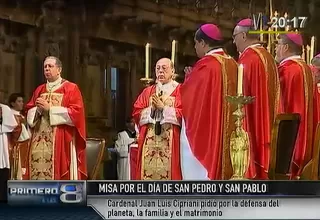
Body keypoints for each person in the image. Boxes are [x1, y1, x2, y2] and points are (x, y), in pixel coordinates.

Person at [180, 23, 237, 180]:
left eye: (196, 43)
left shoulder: (206, 65)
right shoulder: (232, 63)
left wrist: (188, 81)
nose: (195, 47)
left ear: (203, 43)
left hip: (209, 131)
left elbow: (190, 99)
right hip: (229, 131)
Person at [25, 56, 87, 180]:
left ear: (59, 69)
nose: (47, 69)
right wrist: (38, 110)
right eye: (45, 67)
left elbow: (76, 113)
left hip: (61, 138)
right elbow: (29, 112)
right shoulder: (39, 89)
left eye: (50, 66)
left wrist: (51, 109)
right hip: (39, 139)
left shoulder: (70, 88)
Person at [233, 18, 280, 179]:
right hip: (268, 121)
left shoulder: (248, 59)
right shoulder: (268, 57)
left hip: (253, 121)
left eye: (235, 36)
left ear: (244, 36)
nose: (233, 41)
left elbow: (240, 97)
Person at [132, 57, 182, 180]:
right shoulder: (148, 92)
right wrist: (152, 110)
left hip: (171, 142)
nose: (160, 72)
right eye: (158, 68)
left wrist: (164, 108)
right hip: (149, 142)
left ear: (172, 71)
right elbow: (136, 112)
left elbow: (184, 115)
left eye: (164, 68)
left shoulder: (180, 90)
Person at [275, 33, 313, 179]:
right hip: (306, 135)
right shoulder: (307, 69)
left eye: (277, 45)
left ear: (285, 47)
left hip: (289, 138)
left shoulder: (286, 70)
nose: (276, 49)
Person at [8, 93, 30, 180]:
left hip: (25, 145)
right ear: (12, 103)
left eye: (22, 101)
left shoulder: (21, 116)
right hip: (16, 146)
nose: (22, 103)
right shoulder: (11, 115)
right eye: (19, 101)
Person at [0, 103, 17, 202]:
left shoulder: (4, 108)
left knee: (2, 167)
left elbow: (12, 125)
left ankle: (2, 196)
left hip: (1, 139)